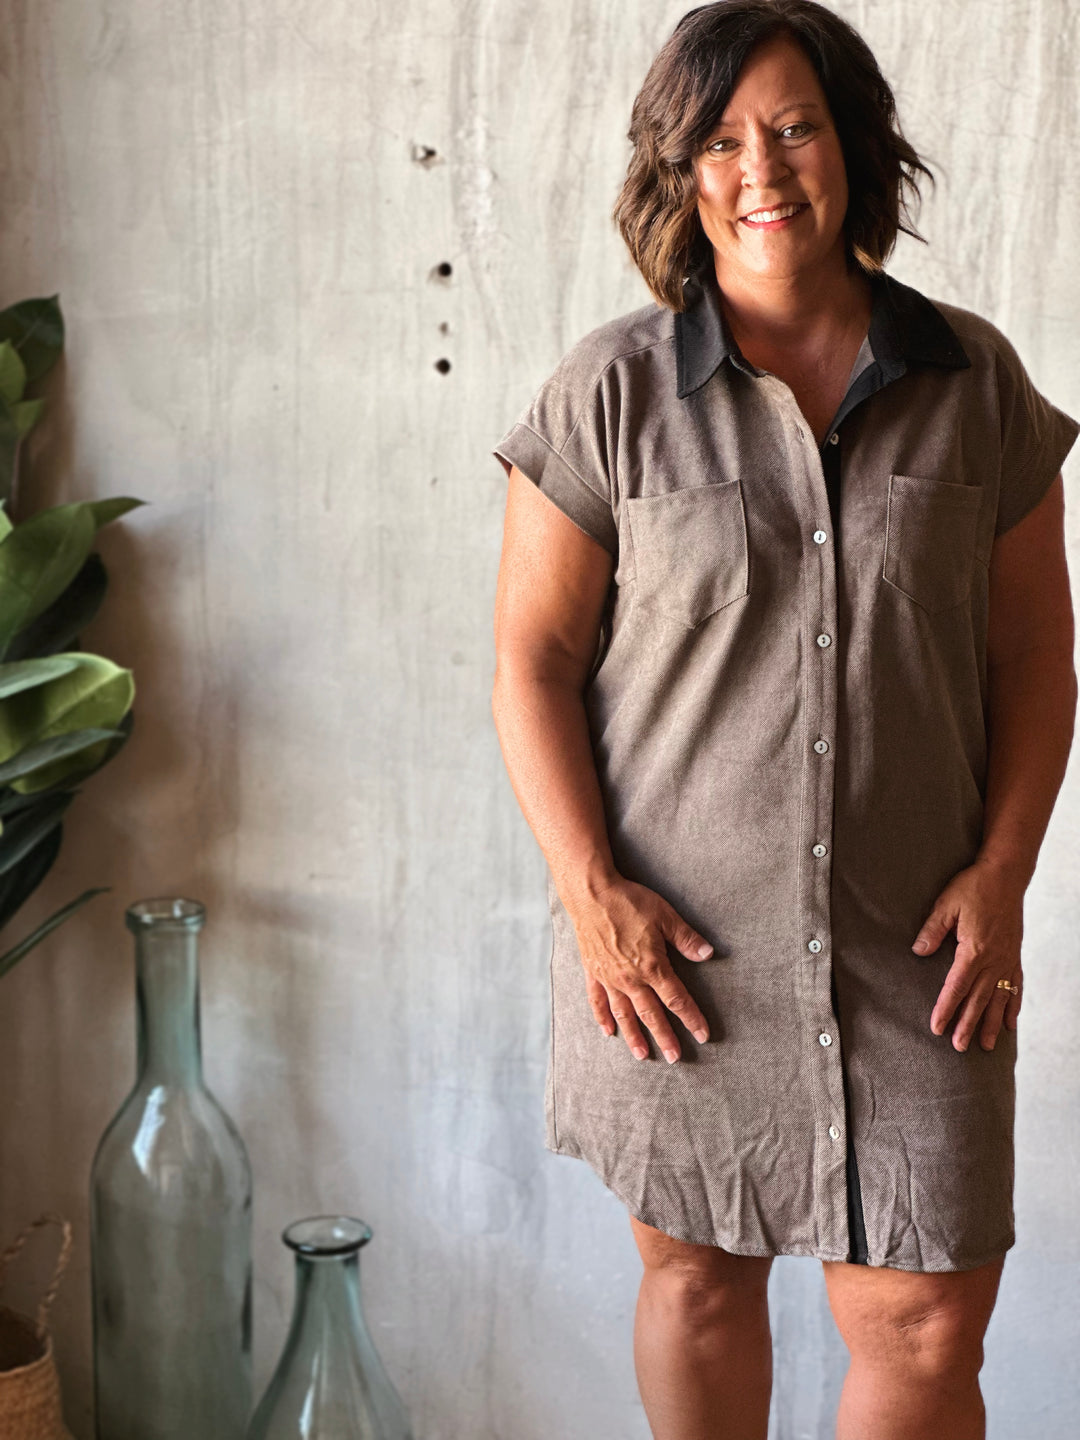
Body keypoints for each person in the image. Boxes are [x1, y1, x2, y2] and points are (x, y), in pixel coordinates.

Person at [489, 2, 1078, 1436]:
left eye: (796, 125)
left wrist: (1004, 880)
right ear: (680, 171)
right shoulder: (610, 394)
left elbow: (1034, 661)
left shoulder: (975, 383)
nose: (763, 166)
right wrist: (592, 901)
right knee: (694, 1279)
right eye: (721, 136)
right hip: (675, 957)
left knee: (927, 1320)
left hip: (921, 949)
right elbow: (533, 660)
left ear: (852, 146)